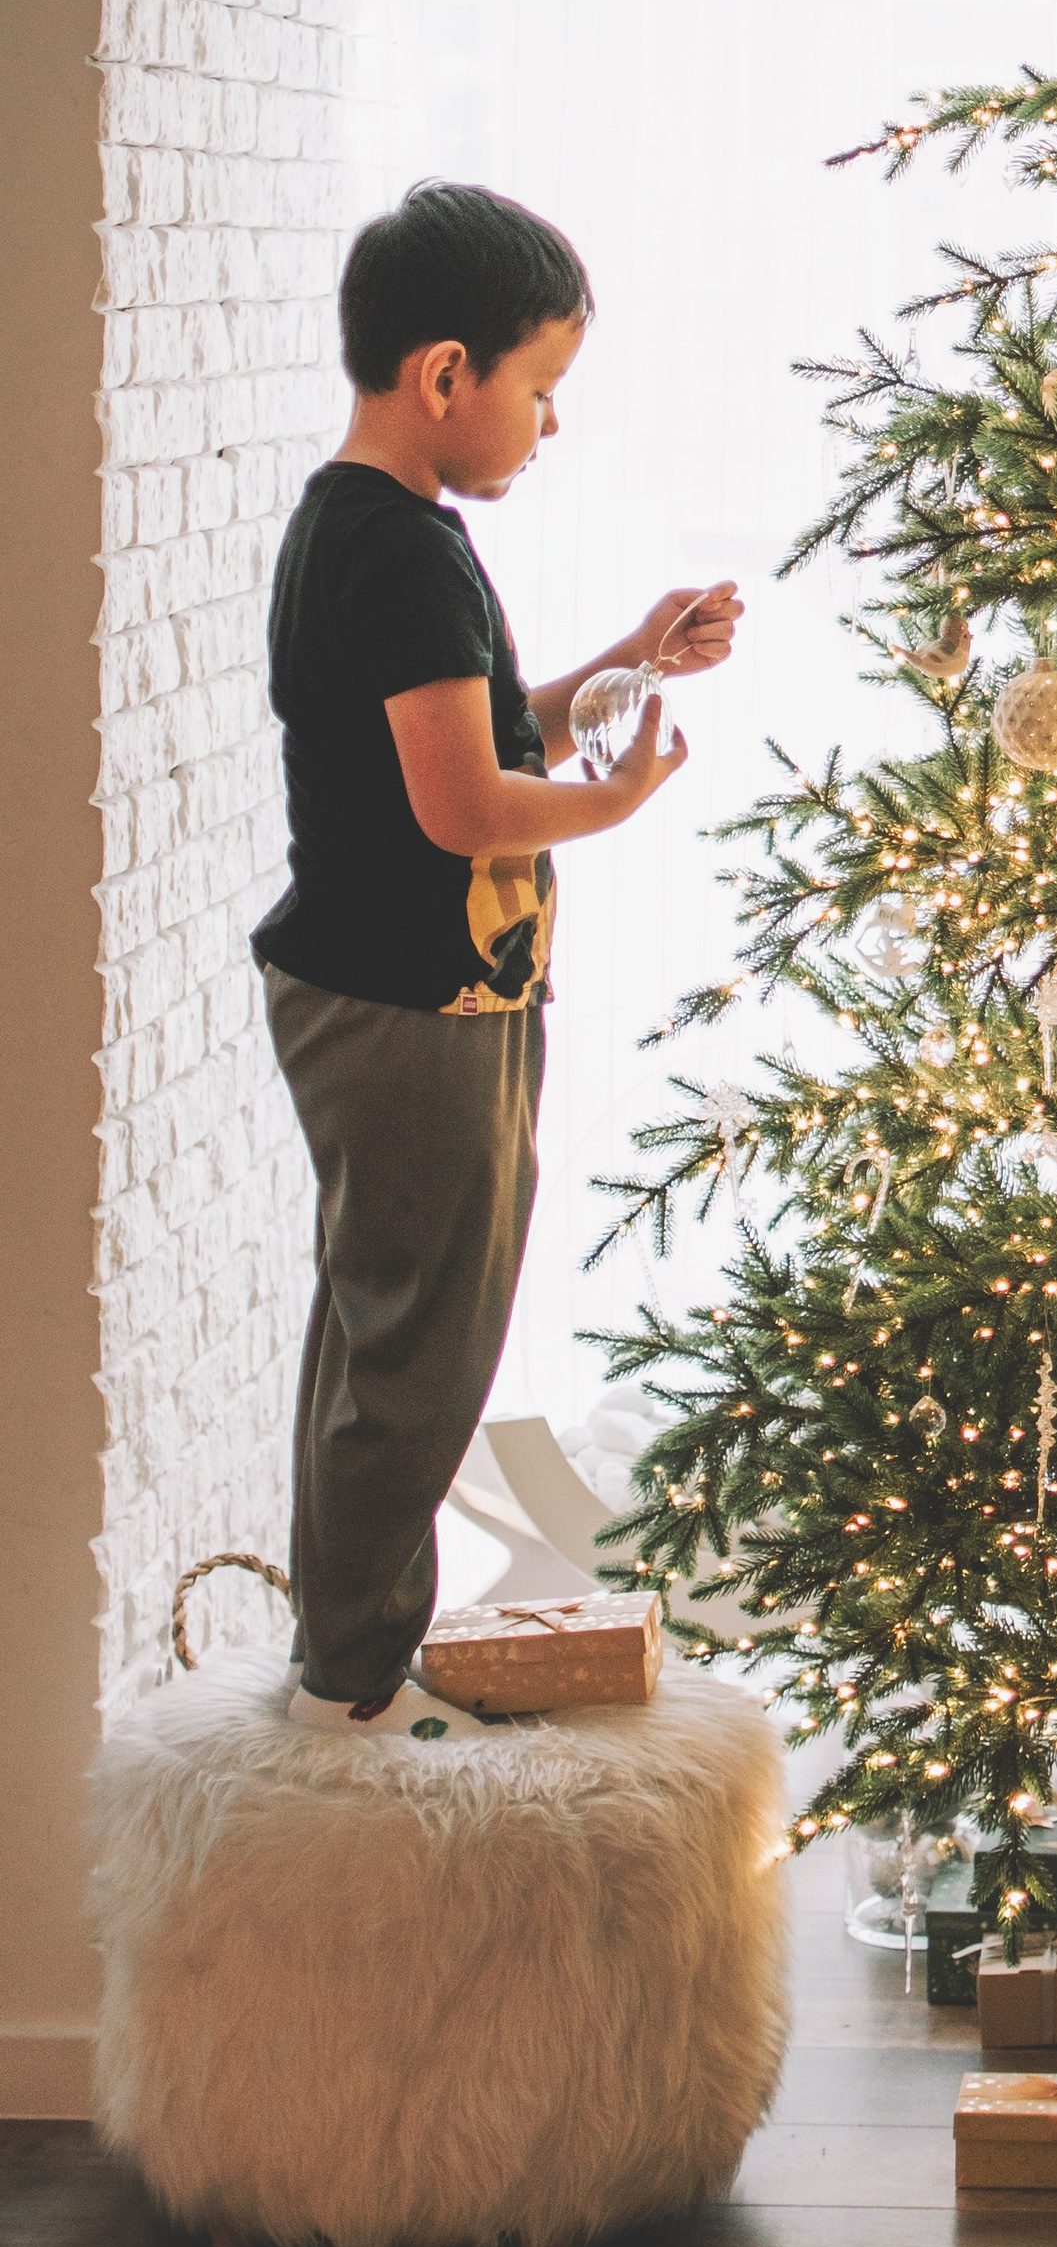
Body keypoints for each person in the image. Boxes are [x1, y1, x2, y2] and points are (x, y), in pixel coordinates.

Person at [251, 180, 742, 1740]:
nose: (547, 427)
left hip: (424, 998)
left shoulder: (390, 533)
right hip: (407, 1011)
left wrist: (623, 664)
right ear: (445, 374)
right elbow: (465, 803)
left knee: (391, 1329)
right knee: (418, 1351)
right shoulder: (393, 551)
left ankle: (355, 1656)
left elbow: (477, 726)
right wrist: (618, 796)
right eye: (539, 391)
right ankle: (355, 1685)